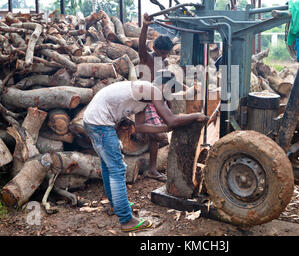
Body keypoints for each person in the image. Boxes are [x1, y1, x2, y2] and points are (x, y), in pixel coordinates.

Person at [83, 72, 208, 232]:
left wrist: (164, 128)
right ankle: (126, 219)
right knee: (117, 169)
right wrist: (195, 115)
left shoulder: (145, 98)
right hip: (99, 124)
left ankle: (117, 205)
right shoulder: (151, 90)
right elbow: (171, 119)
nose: (166, 98)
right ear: (164, 86)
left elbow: (141, 126)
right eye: (167, 92)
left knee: (109, 167)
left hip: (94, 121)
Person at [138, 13, 175, 182]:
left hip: (158, 101)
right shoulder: (147, 58)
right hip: (144, 101)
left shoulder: (165, 63)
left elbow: (165, 87)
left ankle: (152, 169)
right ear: (154, 48)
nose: (163, 57)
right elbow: (140, 45)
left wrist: (169, 105)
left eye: (166, 54)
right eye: (161, 53)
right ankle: (151, 169)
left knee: (156, 138)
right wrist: (145, 26)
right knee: (157, 135)